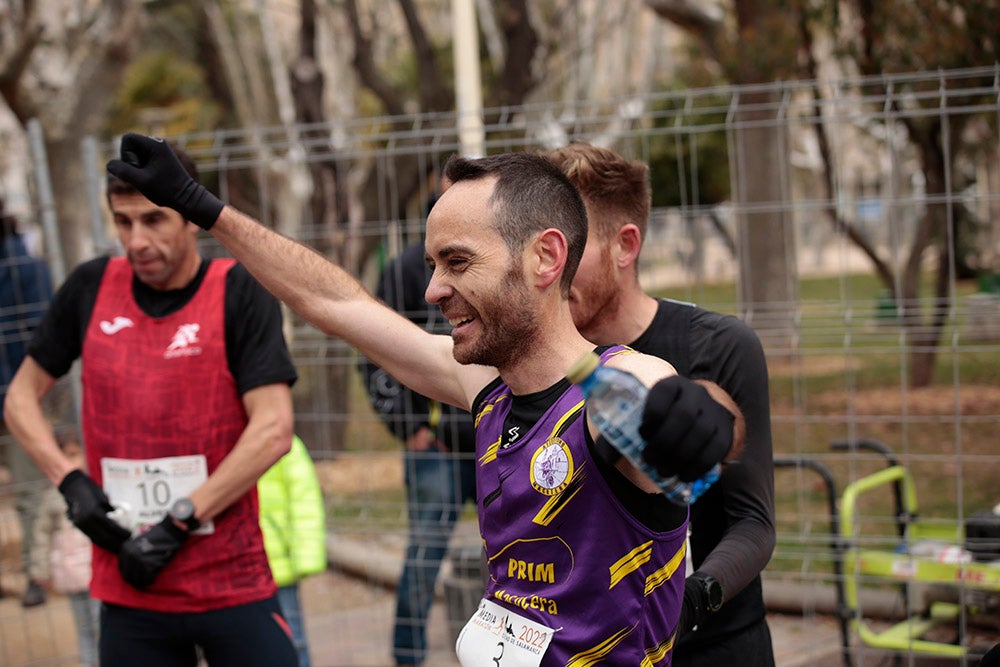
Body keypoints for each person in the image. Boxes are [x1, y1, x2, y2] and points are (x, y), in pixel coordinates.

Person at [107, 132, 743, 665]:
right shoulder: (486, 385)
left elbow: (672, 406)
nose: (434, 288)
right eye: (434, 263)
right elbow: (334, 302)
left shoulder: (615, 391)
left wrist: (700, 419)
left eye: (458, 262)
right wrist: (200, 206)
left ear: (545, 257)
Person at [3, 142, 300, 666]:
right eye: (122, 222)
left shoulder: (238, 290)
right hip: (131, 581)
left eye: (154, 220)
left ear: (190, 217)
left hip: (229, 578)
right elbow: (21, 398)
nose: (137, 240)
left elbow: (273, 429)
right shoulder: (91, 286)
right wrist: (69, 481)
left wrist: (179, 520)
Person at [544, 142, 776, 666]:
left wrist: (692, 600)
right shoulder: (541, 361)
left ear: (625, 246)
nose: (551, 270)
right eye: (543, 248)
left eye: (570, 249)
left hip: (715, 648)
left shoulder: (720, 346)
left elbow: (754, 523)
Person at [361, 174, 478, 666]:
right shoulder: (407, 268)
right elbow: (375, 353)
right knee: (423, 557)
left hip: (506, 438)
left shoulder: (497, 258)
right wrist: (409, 428)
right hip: (438, 449)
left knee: (525, 555)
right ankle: (407, 657)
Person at [0, 197, 54, 606]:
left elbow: (44, 337)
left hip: (21, 396)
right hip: (16, 393)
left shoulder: (27, 269)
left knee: (30, 489)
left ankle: (35, 573)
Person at [27, 429, 101, 666]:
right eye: (61, 456)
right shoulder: (51, 498)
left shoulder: (96, 489)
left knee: (102, 625)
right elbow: (40, 536)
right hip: (70, 576)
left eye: (72, 454)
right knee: (85, 629)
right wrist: (39, 570)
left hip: (97, 574)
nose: (68, 463)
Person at [257, 434, 327, 667]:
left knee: (293, 639)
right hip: (234, 569)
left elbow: (304, 499)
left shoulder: (282, 442)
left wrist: (306, 557)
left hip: (279, 567)